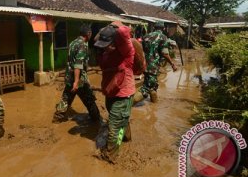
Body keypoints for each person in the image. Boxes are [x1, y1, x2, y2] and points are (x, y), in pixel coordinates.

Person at [94, 23, 136, 163]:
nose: (104, 46)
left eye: (108, 44)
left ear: (115, 41)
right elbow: (96, 41)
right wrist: (103, 32)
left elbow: (125, 32)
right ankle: (127, 138)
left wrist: (112, 25)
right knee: (120, 119)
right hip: (110, 93)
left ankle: (111, 156)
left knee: (114, 128)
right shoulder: (104, 53)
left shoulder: (126, 52)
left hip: (123, 94)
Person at [52, 24, 101, 124]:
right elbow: (78, 64)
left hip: (69, 77)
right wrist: (77, 81)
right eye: (91, 33)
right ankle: (96, 120)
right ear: (88, 33)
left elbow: (71, 60)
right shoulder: (83, 45)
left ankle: (58, 117)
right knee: (89, 99)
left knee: (66, 97)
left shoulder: (72, 43)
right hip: (79, 80)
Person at [134, 21, 177, 104]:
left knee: (153, 85)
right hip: (153, 67)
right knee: (146, 88)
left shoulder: (146, 36)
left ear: (154, 27)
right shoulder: (163, 37)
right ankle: (126, 106)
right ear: (163, 28)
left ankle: (154, 105)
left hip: (144, 65)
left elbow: (140, 50)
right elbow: (165, 53)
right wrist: (172, 64)